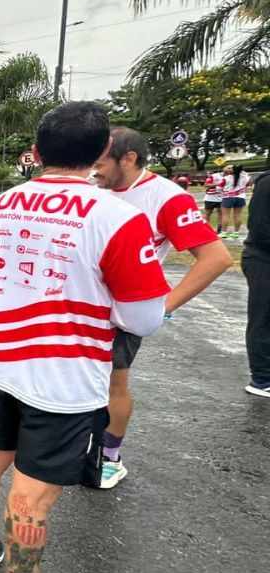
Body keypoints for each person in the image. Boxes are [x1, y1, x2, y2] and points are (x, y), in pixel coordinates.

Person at [0, 101, 170, 573]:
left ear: (38, 150)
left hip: (1, 364)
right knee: (33, 495)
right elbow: (145, 316)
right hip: (66, 381)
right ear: (99, 154)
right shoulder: (117, 218)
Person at [90, 127, 231, 488]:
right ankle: (87, 447)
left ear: (129, 158)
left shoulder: (166, 197)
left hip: (122, 314)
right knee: (81, 384)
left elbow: (216, 258)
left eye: (101, 162)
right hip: (83, 306)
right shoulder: (95, 190)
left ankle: (110, 458)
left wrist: (164, 306)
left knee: (113, 387)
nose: (94, 169)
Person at [243, 170, 269, 398]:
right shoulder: (267, 183)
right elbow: (260, 227)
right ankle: (262, 379)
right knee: (263, 318)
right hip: (262, 259)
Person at [220, 164, 251, 240]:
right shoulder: (246, 177)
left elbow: (219, 188)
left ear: (233, 170)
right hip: (240, 197)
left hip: (228, 197)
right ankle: (236, 233)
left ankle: (224, 232)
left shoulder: (226, 178)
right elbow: (248, 187)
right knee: (238, 216)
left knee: (225, 215)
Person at [203, 169, 225, 233]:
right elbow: (206, 185)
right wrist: (219, 184)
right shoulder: (214, 176)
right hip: (210, 198)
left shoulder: (230, 177)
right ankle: (206, 228)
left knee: (220, 212)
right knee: (208, 213)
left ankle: (219, 228)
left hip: (222, 197)